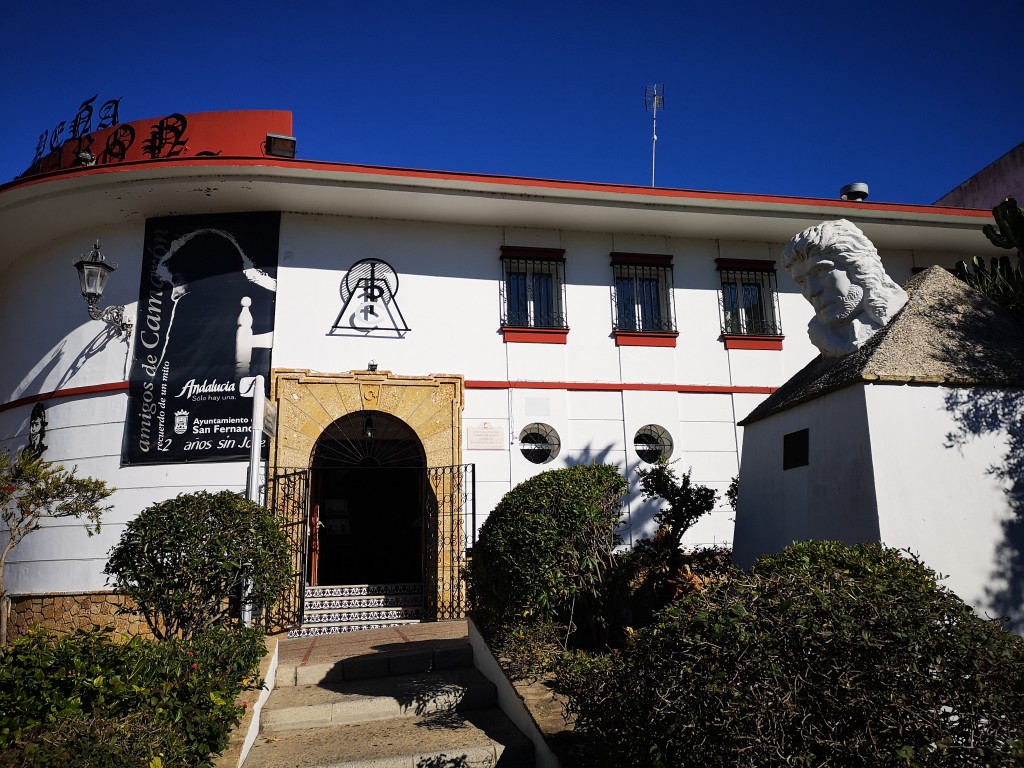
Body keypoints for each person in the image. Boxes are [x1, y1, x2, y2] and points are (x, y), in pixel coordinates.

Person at [782, 219, 908, 357]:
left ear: (858, 266)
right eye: (801, 282)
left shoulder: (888, 308)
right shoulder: (822, 333)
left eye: (820, 271)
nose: (813, 291)